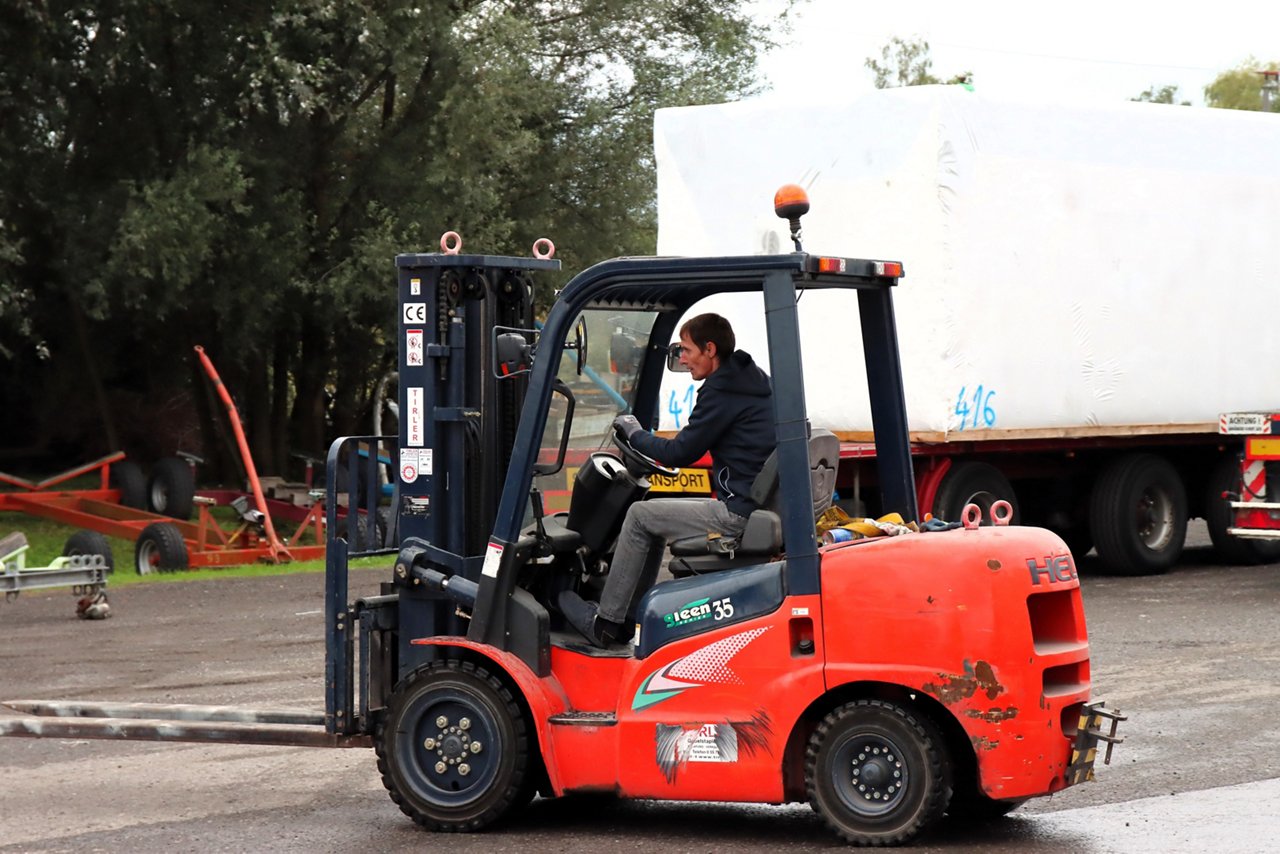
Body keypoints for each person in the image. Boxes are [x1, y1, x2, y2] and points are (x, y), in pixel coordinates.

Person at [558, 313, 775, 646]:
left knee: (639, 515)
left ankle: (606, 622)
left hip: (737, 512)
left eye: (687, 350)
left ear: (710, 349)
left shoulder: (721, 391)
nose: (682, 359)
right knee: (653, 519)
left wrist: (634, 433)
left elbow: (680, 452)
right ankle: (631, 618)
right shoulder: (752, 381)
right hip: (754, 503)